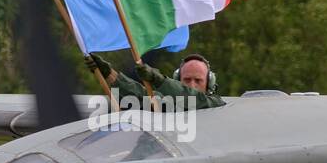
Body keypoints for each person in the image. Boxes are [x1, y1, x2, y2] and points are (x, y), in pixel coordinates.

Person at [85, 52, 226, 110]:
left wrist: (157, 79)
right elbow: (142, 96)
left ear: (210, 84)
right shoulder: (168, 104)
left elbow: (193, 98)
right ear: (177, 80)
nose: (192, 85)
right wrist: (109, 74)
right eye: (187, 80)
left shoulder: (216, 105)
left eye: (198, 80)